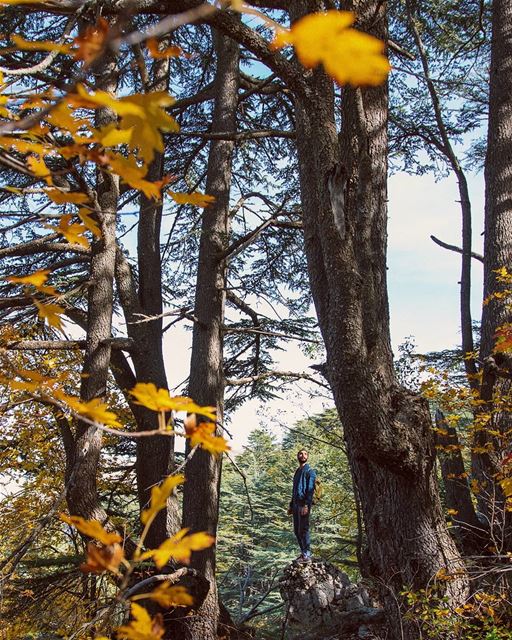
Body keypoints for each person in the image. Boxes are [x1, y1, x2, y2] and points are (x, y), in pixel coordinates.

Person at [288, 448, 316, 563]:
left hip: (303, 505)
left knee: (303, 529)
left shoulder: (310, 471)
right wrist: (290, 505)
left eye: (305, 454)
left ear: (307, 457)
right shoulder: (297, 471)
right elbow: (294, 490)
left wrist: (306, 505)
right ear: (297, 456)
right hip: (295, 505)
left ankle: (307, 555)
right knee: (296, 531)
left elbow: (310, 490)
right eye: (300, 453)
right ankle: (303, 553)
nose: (303, 455)